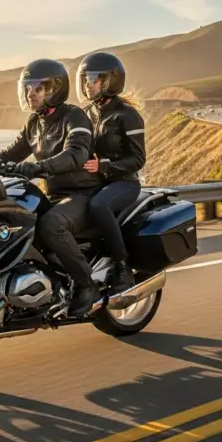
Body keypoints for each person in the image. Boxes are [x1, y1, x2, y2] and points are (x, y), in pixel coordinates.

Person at [0, 58, 103, 317]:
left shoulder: (74, 116)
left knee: (51, 224)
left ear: (54, 89)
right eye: (27, 88)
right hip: (54, 195)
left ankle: (86, 284)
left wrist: (36, 168)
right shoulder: (35, 123)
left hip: (82, 194)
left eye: (36, 88)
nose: (30, 94)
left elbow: (76, 155)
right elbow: (10, 153)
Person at [76, 51, 146, 293]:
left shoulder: (128, 115)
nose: (88, 84)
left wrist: (104, 166)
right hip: (97, 180)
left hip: (124, 182)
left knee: (98, 206)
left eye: (94, 79)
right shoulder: (88, 113)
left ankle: (122, 266)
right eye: (86, 79)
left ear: (109, 82)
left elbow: (138, 159)